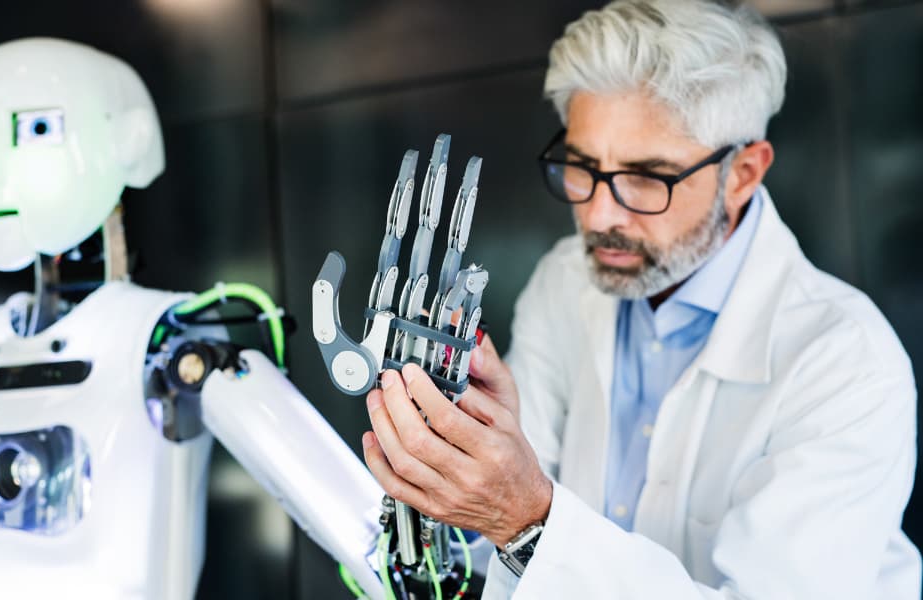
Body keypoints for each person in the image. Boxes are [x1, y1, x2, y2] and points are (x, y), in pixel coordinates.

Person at [359, 0, 921, 597]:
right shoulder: (565, 282)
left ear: (744, 173)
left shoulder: (846, 365)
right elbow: (495, 550)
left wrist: (527, 523)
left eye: (647, 177)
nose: (598, 216)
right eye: (580, 167)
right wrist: (479, 442)